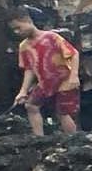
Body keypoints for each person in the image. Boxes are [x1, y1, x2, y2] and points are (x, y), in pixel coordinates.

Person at [10, 7, 80, 136]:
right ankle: (39, 139)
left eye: (18, 27)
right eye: (14, 30)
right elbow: (29, 68)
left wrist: (74, 76)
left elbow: (73, 54)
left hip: (64, 80)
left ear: (28, 20)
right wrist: (23, 91)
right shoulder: (24, 46)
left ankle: (73, 139)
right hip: (45, 83)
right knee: (31, 106)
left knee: (62, 112)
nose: (16, 32)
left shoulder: (51, 37)